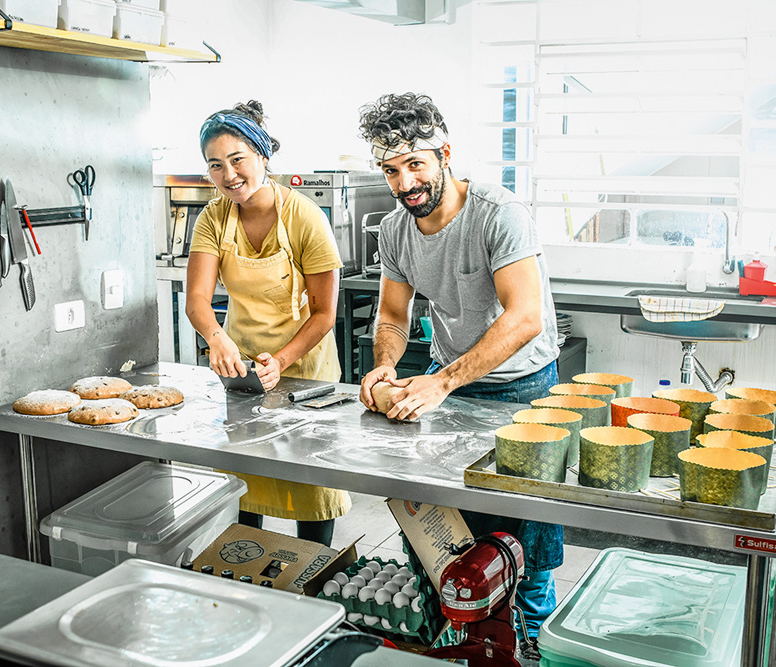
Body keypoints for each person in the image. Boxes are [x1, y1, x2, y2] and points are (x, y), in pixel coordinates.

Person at [357, 92, 561, 658]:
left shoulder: (499, 213)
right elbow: (393, 317)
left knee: (526, 541)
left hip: (523, 389)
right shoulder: (396, 230)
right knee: (442, 532)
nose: (405, 183)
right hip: (452, 388)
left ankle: (528, 646)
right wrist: (384, 367)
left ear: (445, 153)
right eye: (391, 170)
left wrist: (441, 381)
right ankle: (448, 643)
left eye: (416, 164)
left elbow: (524, 319)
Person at [186, 101, 350, 546]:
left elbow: (323, 314)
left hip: (306, 375)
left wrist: (280, 361)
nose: (228, 175)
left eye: (237, 159)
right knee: (246, 482)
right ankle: (247, 572)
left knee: (310, 486)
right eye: (215, 165)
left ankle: (314, 578)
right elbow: (197, 298)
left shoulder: (305, 218)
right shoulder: (214, 217)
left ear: (262, 155)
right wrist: (216, 337)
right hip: (242, 375)